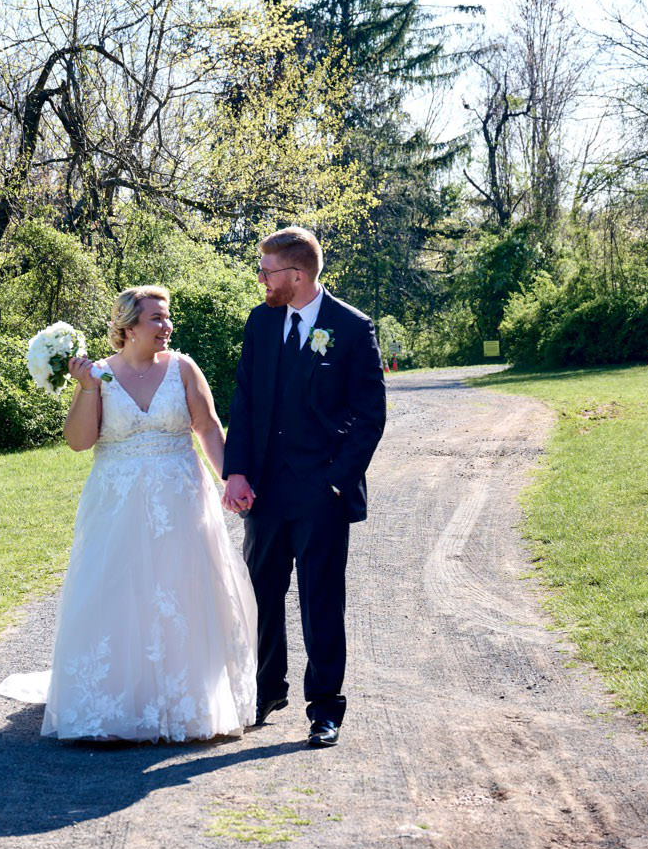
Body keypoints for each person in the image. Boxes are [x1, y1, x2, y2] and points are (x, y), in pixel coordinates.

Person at [39, 286, 258, 744]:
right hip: (116, 504)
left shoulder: (183, 369)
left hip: (180, 500)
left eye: (167, 317)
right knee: (118, 593)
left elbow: (207, 427)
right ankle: (119, 704)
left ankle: (186, 701)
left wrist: (229, 477)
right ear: (129, 326)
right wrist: (86, 389)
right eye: (157, 318)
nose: (167, 326)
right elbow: (80, 441)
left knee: (181, 593)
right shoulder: (98, 374)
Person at [221, 227, 387, 749]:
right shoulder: (261, 321)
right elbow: (245, 400)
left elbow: (370, 416)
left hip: (322, 493)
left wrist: (337, 483)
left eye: (267, 271)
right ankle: (267, 689)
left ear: (296, 275)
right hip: (265, 490)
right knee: (262, 593)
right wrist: (237, 470)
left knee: (321, 599)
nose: (260, 279)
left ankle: (325, 708)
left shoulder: (352, 328)